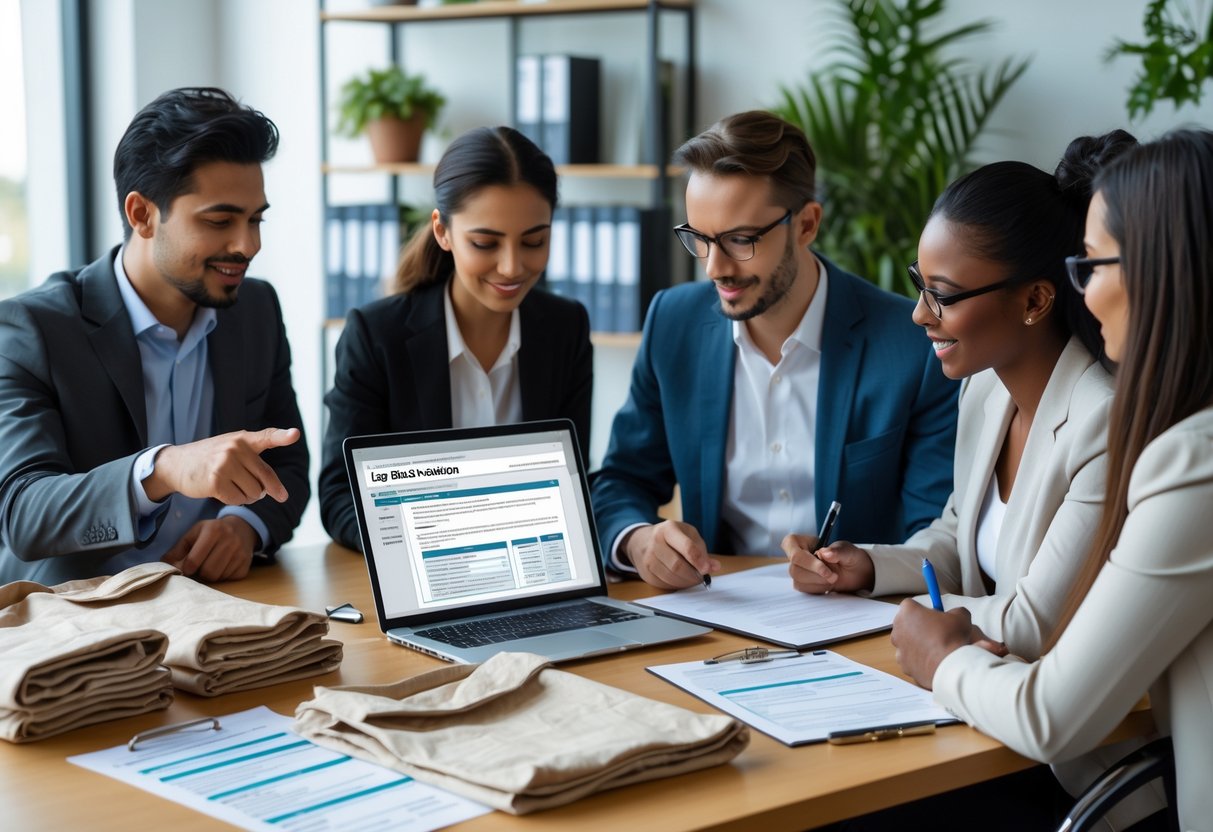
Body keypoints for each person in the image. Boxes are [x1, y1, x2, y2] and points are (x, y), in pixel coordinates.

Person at [891, 129, 1213, 832]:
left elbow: (1052, 715)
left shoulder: (1192, 463)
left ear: (1163, 272)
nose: (1083, 297)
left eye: (1091, 266)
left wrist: (939, 653)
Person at [786, 131, 1137, 661]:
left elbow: (1035, 622)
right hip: (978, 681)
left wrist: (909, 617)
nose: (920, 314)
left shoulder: (1103, 423)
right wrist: (868, 566)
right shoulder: (984, 387)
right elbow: (955, 538)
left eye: (943, 295)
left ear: (1036, 299)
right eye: (919, 284)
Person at [591, 110, 959, 589]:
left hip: (859, 621)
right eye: (699, 240)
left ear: (806, 224)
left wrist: (864, 564)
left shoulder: (911, 344)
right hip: (713, 616)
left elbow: (935, 532)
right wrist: (638, 539)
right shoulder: (673, 322)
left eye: (740, 240)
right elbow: (622, 479)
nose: (714, 269)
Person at [0, 87, 309, 586]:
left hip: (215, 607)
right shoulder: (31, 329)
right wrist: (163, 470)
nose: (248, 245)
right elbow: (23, 514)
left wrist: (243, 527)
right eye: (220, 220)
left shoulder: (255, 310)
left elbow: (288, 464)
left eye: (255, 219)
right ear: (141, 214)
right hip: (78, 619)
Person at [319, 126, 593, 552]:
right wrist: (445, 539)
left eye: (534, 241)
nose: (511, 267)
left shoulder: (564, 328)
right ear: (442, 231)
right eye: (485, 242)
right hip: (425, 571)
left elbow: (572, 479)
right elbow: (340, 497)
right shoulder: (377, 335)